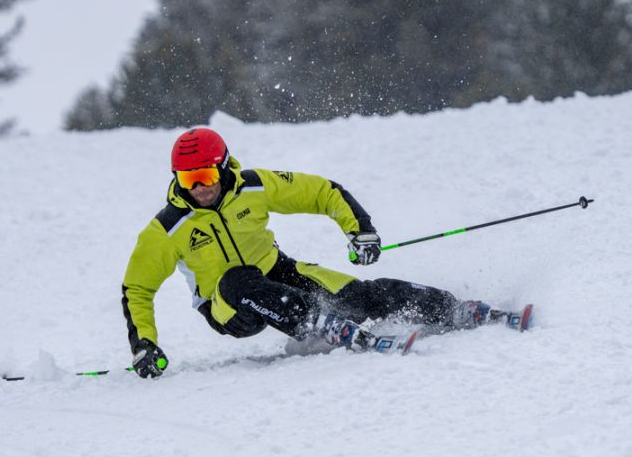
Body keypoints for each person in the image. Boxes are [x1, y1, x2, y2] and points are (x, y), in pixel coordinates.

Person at [121, 127, 504, 378]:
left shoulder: (254, 186)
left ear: (223, 168)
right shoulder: (167, 227)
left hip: (278, 271)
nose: (199, 188)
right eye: (188, 179)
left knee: (359, 295)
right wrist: (144, 345)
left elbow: (322, 191)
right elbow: (137, 288)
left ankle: (453, 309)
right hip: (227, 304)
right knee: (240, 279)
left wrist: (360, 231)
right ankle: (321, 325)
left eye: (205, 176)